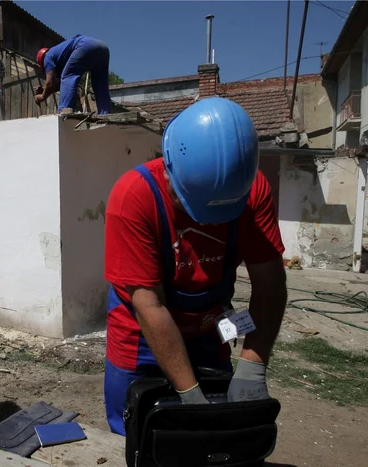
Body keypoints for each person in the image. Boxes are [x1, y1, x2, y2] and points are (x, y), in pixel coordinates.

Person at [103, 97, 288, 436]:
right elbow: (149, 304)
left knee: (211, 442)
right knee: (141, 439)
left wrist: (252, 367)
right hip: (142, 337)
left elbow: (270, 281)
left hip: (208, 330)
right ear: (169, 161)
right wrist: (191, 397)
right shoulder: (134, 197)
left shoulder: (251, 190)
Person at [34, 34, 112, 115]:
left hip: (85, 46)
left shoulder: (47, 57)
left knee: (68, 76)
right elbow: (60, 86)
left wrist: (42, 96)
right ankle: (105, 114)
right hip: (103, 48)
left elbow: (50, 83)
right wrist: (44, 90)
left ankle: (64, 112)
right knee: (100, 84)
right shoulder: (60, 56)